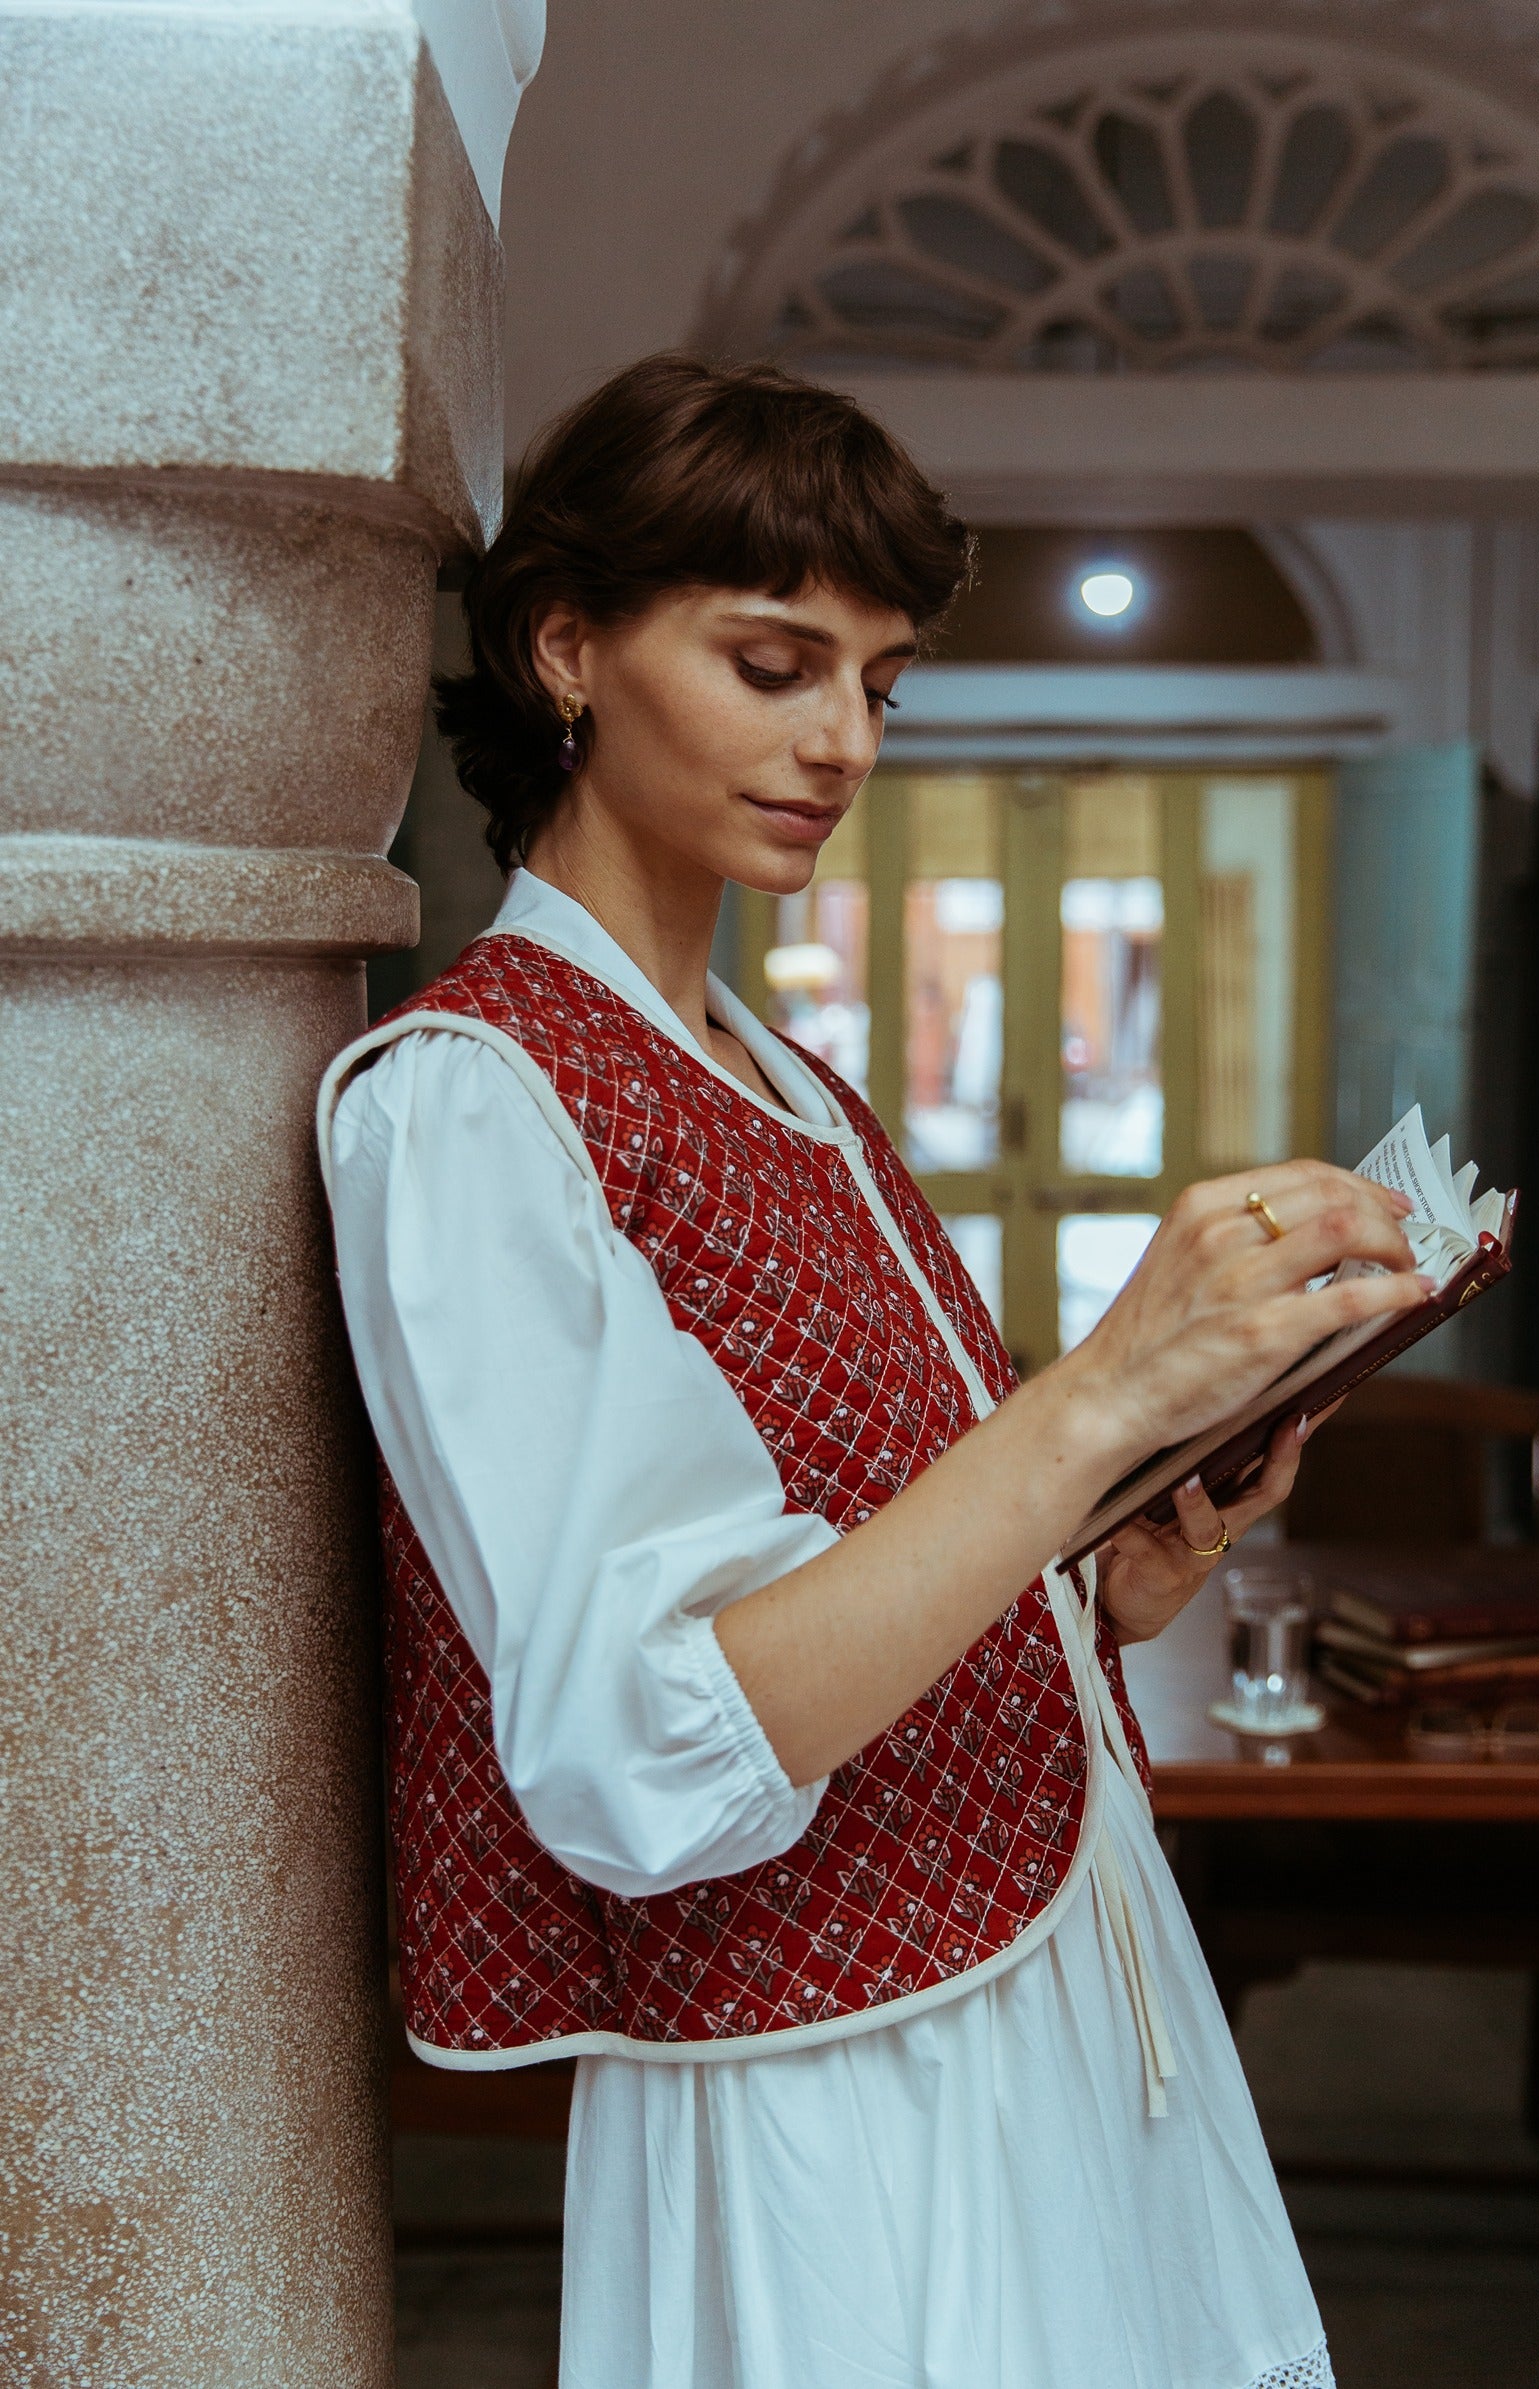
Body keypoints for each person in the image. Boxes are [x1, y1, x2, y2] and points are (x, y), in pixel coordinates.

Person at [318, 356, 1427, 2389]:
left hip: (1043, 1966)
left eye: (881, 682)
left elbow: (874, 1562)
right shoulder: (473, 1106)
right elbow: (649, 1748)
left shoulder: (783, 1081)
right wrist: (1087, 1394)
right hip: (838, 2078)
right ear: (565, 646)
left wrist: (1110, 1564)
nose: (841, 740)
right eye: (771, 662)